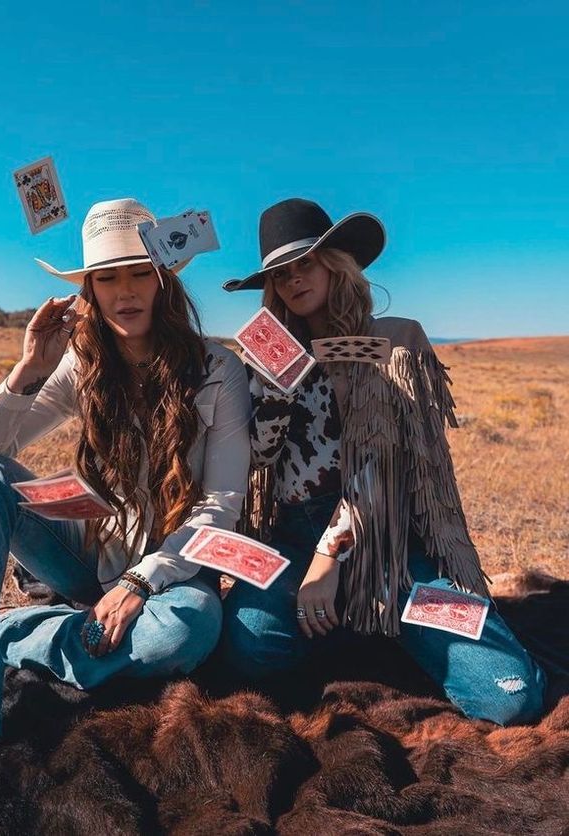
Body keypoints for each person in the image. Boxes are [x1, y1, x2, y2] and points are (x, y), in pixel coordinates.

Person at [0, 198, 251, 829]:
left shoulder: (218, 369)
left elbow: (222, 501)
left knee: (186, 633)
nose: (125, 291)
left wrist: (141, 581)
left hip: (168, 574)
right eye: (107, 277)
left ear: (164, 277)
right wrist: (28, 371)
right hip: (86, 552)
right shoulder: (82, 364)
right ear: (88, 288)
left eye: (139, 272)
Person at [221, 197, 545, 726]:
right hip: (295, 538)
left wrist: (330, 560)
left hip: (390, 545)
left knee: (508, 695)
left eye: (305, 264)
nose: (293, 281)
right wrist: (274, 397)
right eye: (280, 275)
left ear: (335, 263)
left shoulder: (392, 341)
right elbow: (256, 459)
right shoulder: (265, 352)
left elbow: (386, 463)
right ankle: (360, 621)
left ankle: (391, 615)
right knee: (252, 647)